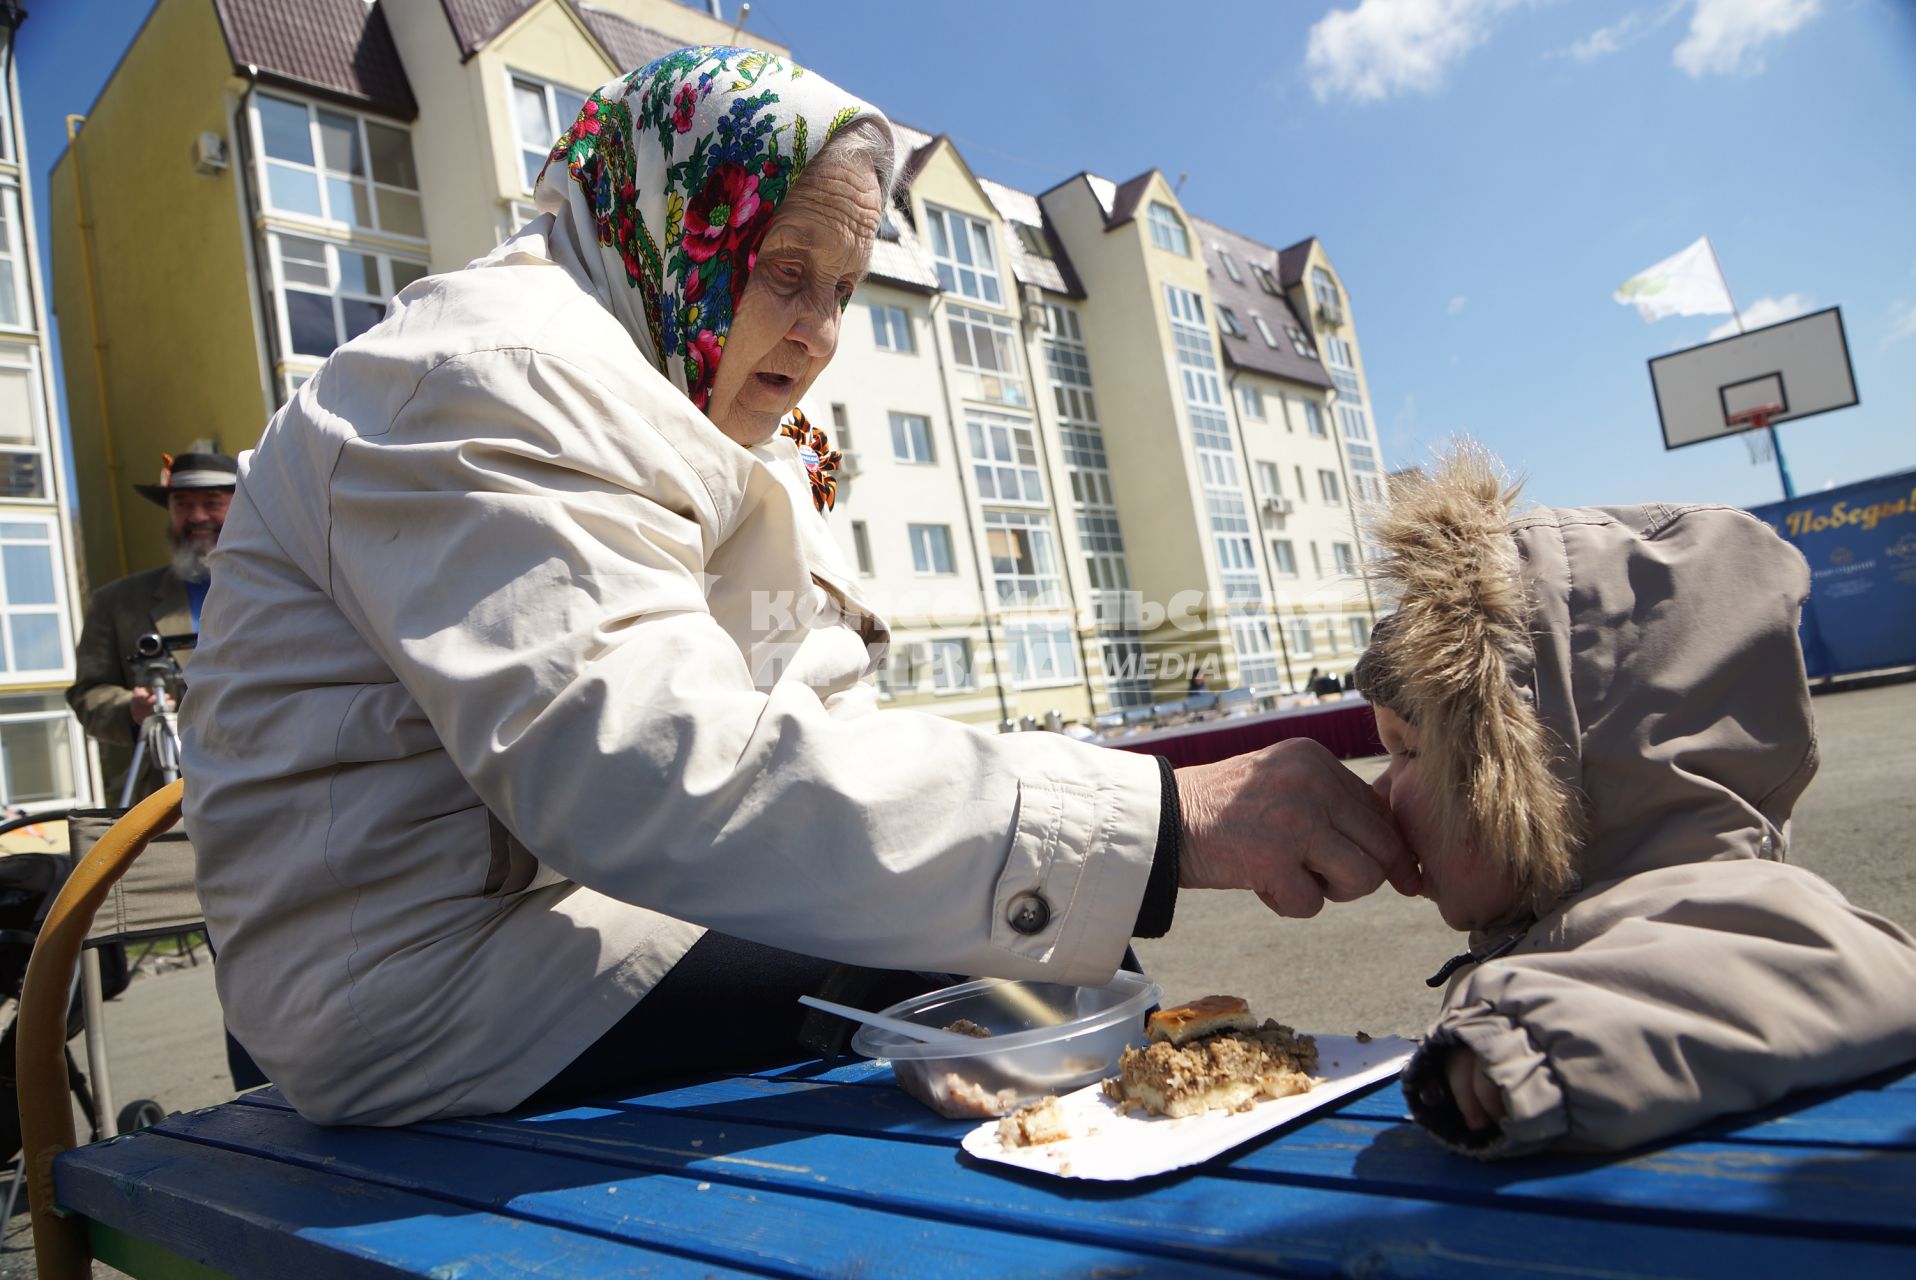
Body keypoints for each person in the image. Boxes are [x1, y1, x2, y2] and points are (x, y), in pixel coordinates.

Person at [182, 47, 1414, 1127]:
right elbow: (652, 764)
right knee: (981, 974)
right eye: (784, 268)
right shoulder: (488, 380)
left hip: (559, 923)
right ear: (677, 222)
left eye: (842, 288)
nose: (819, 331)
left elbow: (815, 722)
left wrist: (1085, 835)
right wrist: (1157, 820)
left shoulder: (683, 409)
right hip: (405, 984)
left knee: (1022, 962)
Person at [1353, 443, 1916, 1158]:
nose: (1380, 787)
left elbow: (1868, 965)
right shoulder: (1566, 919)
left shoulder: (1716, 906)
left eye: (1407, 751)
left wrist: (1526, 1040)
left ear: (1542, 775)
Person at [68, 451, 235, 802]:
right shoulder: (118, 602)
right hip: (169, 797)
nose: (197, 517)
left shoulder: (284, 589)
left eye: (211, 503)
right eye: (182, 505)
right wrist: (130, 708)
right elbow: (88, 693)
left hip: (275, 786)